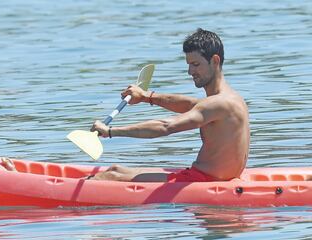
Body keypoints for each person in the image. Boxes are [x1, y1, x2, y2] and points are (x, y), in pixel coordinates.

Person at [89, 28, 250, 182]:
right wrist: (147, 96)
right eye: (188, 64)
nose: (190, 71)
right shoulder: (230, 99)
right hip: (210, 176)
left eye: (195, 64)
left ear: (215, 61)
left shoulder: (219, 103)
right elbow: (188, 104)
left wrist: (109, 132)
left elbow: (167, 126)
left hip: (204, 180)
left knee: (110, 177)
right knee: (115, 169)